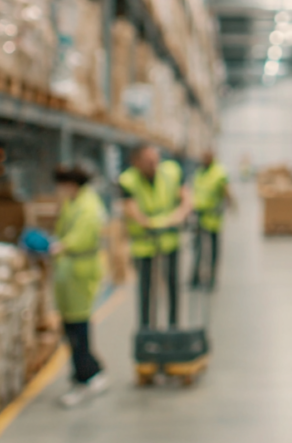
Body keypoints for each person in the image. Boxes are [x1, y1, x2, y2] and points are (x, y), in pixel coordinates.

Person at [51, 166, 109, 407]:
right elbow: (62, 229)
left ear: (72, 184)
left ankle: (85, 377)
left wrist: (60, 246)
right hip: (69, 271)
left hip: (81, 271)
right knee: (70, 325)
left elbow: (81, 236)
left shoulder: (88, 206)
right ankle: (90, 369)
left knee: (78, 326)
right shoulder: (73, 203)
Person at [120, 145, 191, 328]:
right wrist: (145, 222)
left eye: (155, 159)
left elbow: (186, 199)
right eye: (147, 160)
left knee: (173, 285)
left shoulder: (172, 172)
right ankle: (146, 328)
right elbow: (130, 207)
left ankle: (173, 326)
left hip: (170, 240)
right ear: (136, 162)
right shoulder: (128, 180)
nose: (153, 164)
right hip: (144, 242)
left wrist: (179, 215)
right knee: (145, 289)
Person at [191, 150, 232, 289]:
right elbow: (195, 191)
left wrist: (230, 204)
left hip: (213, 217)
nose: (204, 159)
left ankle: (212, 278)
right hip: (199, 216)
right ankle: (195, 276)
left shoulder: (219, 172)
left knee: (213, 251)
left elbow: (226, 191)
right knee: (197, 249)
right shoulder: (199, 172)